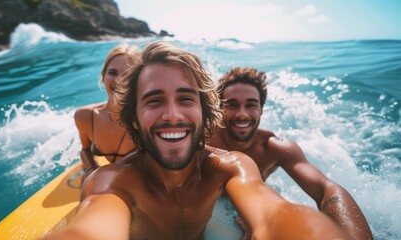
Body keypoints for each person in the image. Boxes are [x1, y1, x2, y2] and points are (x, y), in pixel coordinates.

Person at [45, 41, 349, 240]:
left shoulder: (230, 166)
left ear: (206, 113)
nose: (173, 114)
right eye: (153, 101)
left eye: (186, 99)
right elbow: (94, 227)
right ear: (134, 118)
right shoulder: (111, 181)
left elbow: (273, 212)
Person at [207, 67, 373, 240]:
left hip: (253, 201)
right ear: (220, 109)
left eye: (251, 105)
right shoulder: (205, 142)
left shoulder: (274, 148)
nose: (242, 114)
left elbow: (326, 190)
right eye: (232, 105)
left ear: (261, 109)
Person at [74, 45, 140, 179]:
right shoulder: (85, 116)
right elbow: (85, 150)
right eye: (113, 73)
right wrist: (92, 170)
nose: (119, 81)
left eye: (127, 75)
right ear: (103, 76)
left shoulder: (144, 120)